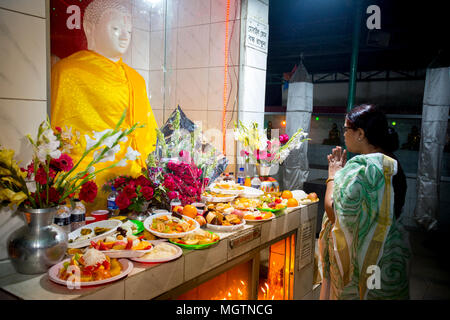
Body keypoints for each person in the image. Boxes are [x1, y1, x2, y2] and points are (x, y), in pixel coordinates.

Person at [51, 0, 158, 211]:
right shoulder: (67, 72)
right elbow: (57, 131)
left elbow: (147, 132)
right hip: (87, 182)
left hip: (130, 182)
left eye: (129, 30)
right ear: (90, 28)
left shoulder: (136, 79)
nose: (124, 35)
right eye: (116, 28)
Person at [319, 104, 410, 300]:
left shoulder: (364, 168)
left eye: (346, 129)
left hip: (364, 260)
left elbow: (334, 211)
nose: (343, 134)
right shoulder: (391, 164)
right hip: (387, 256)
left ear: (360, 134)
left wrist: (333, 176)